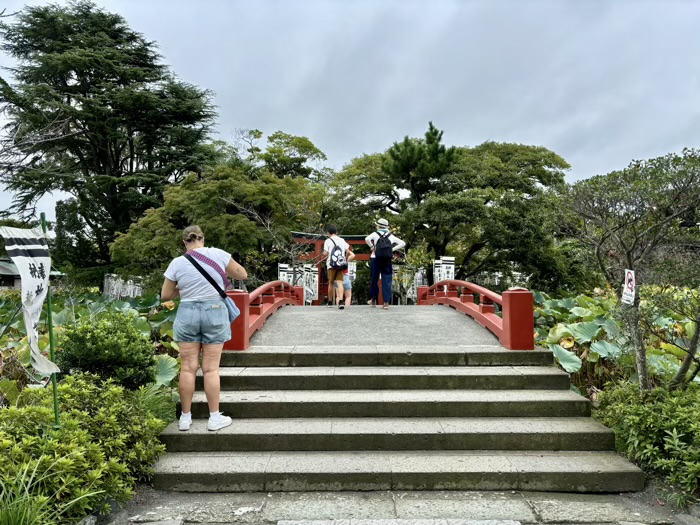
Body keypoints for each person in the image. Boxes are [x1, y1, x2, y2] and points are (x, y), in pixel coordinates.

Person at [161, 226, 247, 432]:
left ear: (184, 242)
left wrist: (183, 287)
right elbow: (242, 274)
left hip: (188, 312)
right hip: (214, 310)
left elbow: (165, 295)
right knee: (211, 368)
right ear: (202, 239)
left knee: (188, 367)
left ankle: (185, 418)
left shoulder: (177, 263)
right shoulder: (217, 254)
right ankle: (214, 417)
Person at [365, 218, 406, 310]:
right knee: (387, 280)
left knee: (374, 279)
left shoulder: (375, 234)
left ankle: (373, 300)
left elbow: (367, 239)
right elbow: (403, 243)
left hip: (375, 258)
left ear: (378, 226)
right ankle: (386, 303)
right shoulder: (391, 236)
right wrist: (392, 250)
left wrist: (372, 247)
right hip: (387, 259)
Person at [321, 224, 351, 309]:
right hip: (340, 264)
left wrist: (325, 254)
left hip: (331, 265)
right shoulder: (342, 240)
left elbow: (326, 253)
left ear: (328, 232)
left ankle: (330, 302)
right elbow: (348, 251)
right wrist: (344, 259)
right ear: (336, 232)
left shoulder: (327, 241)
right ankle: (341, 302)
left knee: (331, 283)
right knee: (339, 282)